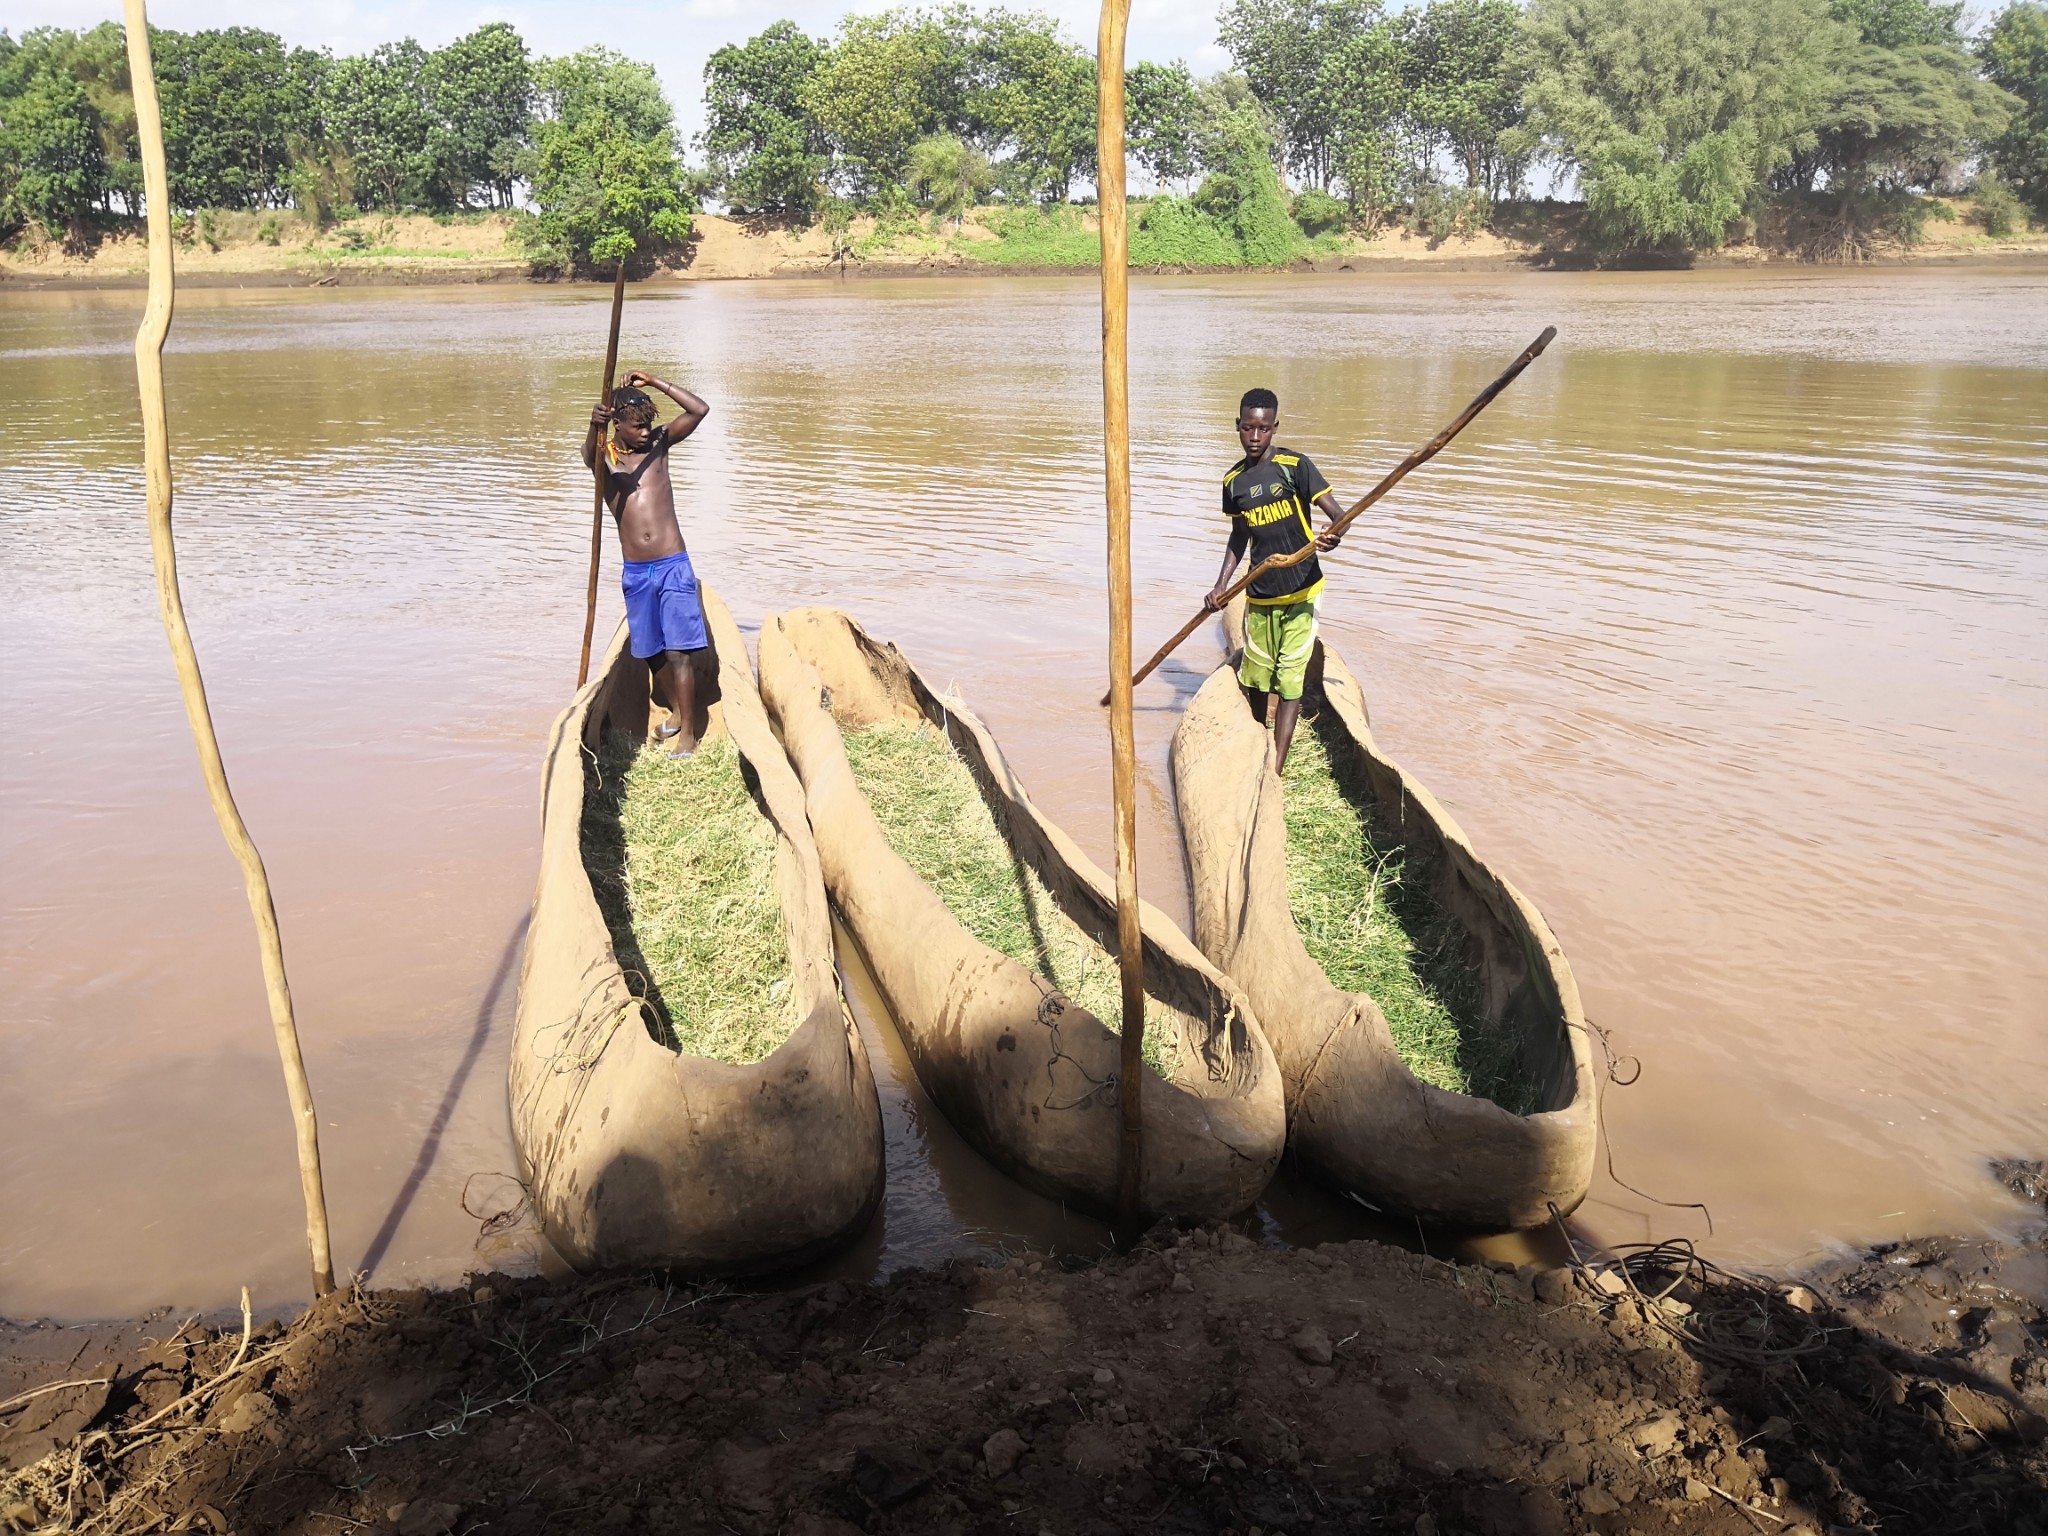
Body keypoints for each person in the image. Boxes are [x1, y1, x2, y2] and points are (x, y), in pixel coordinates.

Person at [1203, 386, 1345, 775]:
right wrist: (1220, 586)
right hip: (1262, 592)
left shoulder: (1294, 466)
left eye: (1262, 429)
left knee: (1290, 675)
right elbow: (1239, 536)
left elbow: (1338, 515)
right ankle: (1256, 739)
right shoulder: (1234, 481)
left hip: (1302, 586)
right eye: (1248, 428)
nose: (1254, 437)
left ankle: (1274, 768)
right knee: (1257, 674)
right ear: (1238, 427)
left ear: (1274, 428)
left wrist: (1333, 536)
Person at [582, 370, 712, 757]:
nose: (644, 432)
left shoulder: (659, 445)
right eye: (636, 426)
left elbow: (700, 409)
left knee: (679, 652)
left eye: (647, 425)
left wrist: (654, 382)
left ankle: (688, 733)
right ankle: (675, 712)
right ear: (617, 424)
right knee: (652, 651)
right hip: (638, 573)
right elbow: (589, 457)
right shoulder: (606, 458)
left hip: (673, 563)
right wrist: (594, 425)